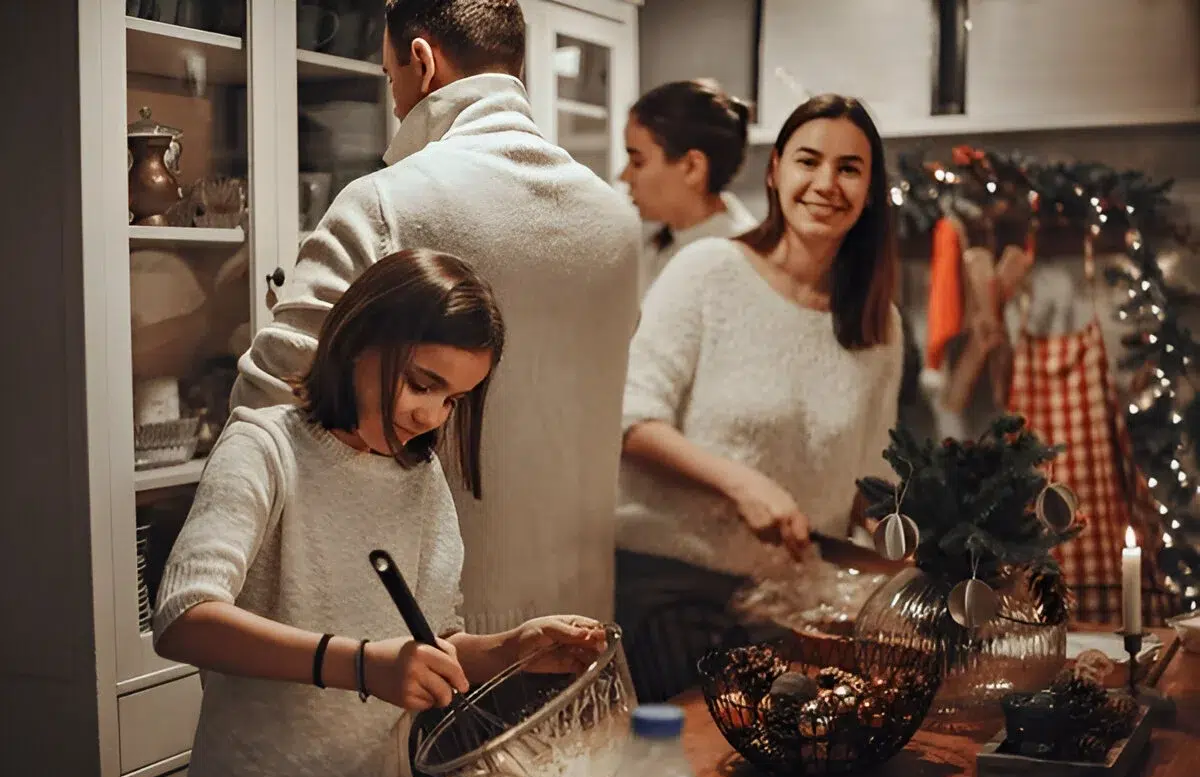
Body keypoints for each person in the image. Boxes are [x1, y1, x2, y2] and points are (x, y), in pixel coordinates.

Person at [230, 0, 640, 635]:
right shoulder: (617, 223)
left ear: (422, 61)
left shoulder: (387, 203)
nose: (395, 100)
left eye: (390, 76)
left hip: (425, 633)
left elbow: (264, 404)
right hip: (580, 621)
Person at [154, 249, 606, 777]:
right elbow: (184, 618)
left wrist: (513, 650)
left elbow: (429, 645)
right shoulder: (266, 448)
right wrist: (362, 665)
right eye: (420, 384)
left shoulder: (420, 476)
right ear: (356, 343)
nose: (431, 416)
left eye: (453, 400)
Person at [614, 94, 904, 702]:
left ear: (872, 190)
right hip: (671, 594)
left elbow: (871, 486)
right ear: (775, 171)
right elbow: (630, 420)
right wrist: (742, 483)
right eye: (809, 160)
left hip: (791, 607)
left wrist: (926, 553)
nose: (826, 183)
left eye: (850, 168)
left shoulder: (879, 326)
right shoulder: (709, 271)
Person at [620, 79, 758, 295]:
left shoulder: (742, 264)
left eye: (638, 162)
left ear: (692, 167)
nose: (624, 176)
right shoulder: (656, 243)